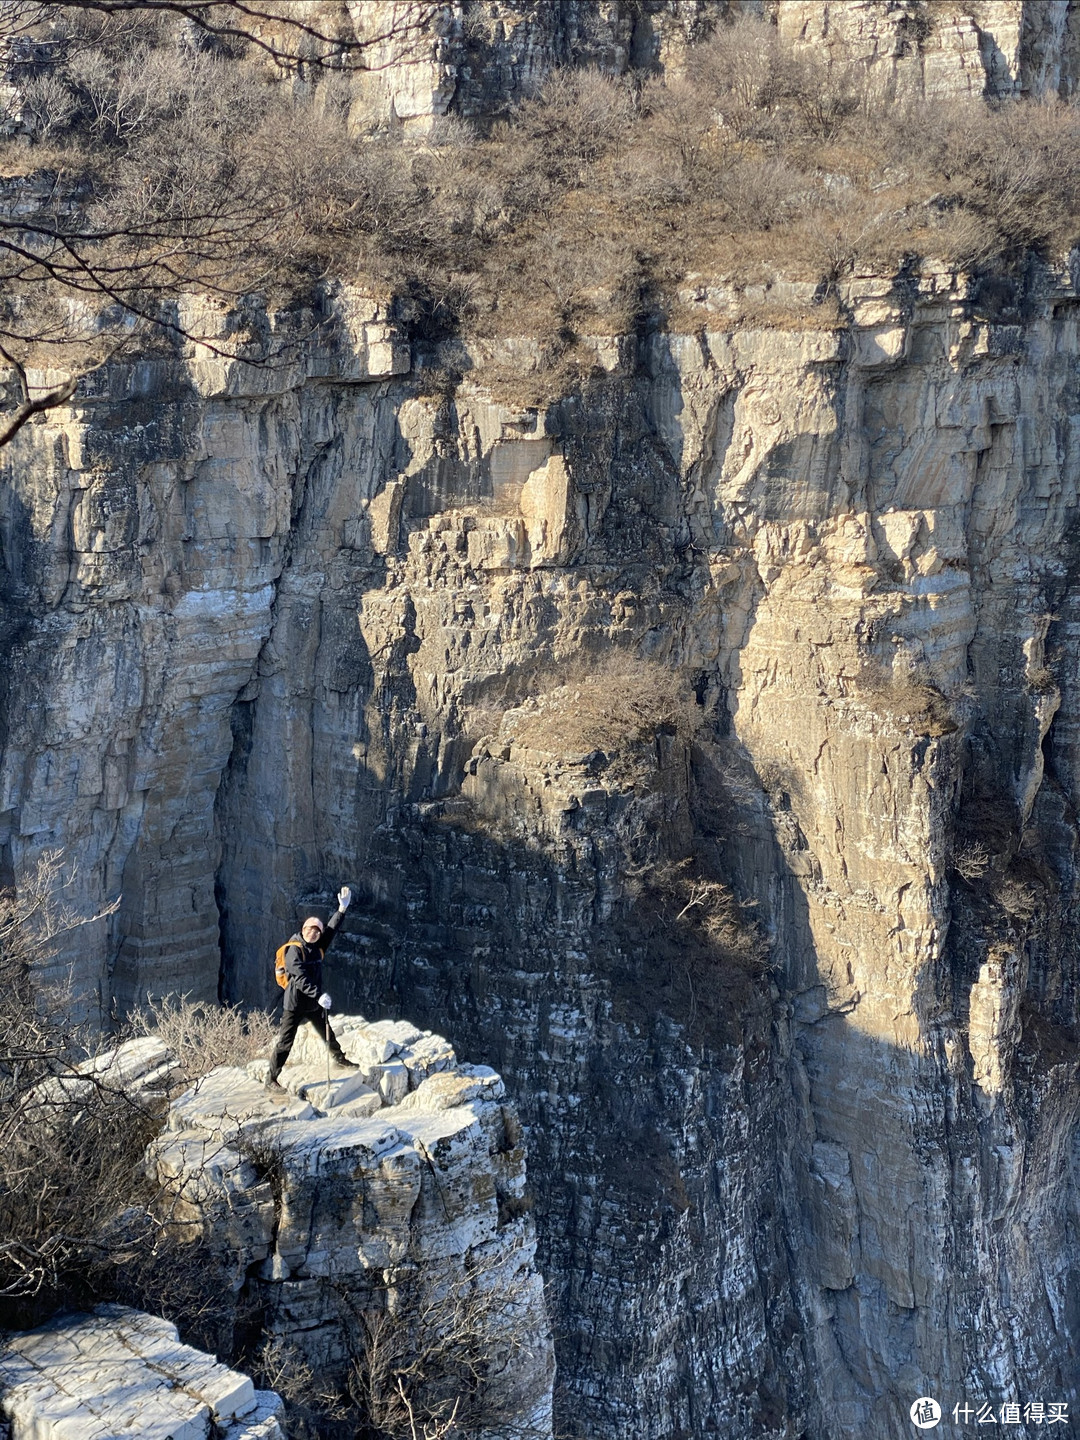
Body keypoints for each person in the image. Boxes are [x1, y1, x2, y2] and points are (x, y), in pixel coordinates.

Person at [265, 885, 359, 1094]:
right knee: (285, 1042)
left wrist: (341, 910)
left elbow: (332, 929)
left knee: (326, 1031)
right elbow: (299, 977)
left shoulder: (317, 946)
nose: (313, 933)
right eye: (310, 930)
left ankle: (339, 1059)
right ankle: (271, 1079)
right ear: (303, 929)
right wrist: (319, 995)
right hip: (296, 1004)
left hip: (314, 1003)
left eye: (316, 931)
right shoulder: (293, 950)